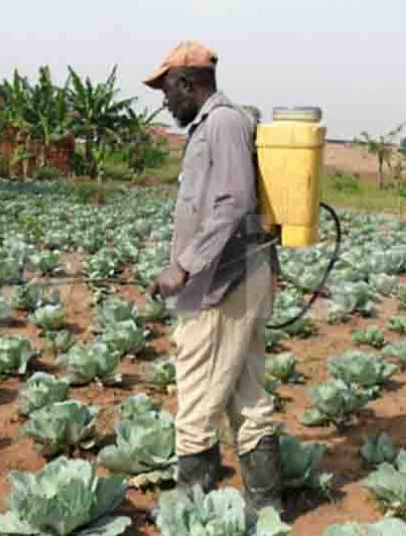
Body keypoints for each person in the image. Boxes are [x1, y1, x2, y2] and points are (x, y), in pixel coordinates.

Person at [145, 41, 281, 512]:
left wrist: (184, 265)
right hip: (229, 276)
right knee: (246, 392)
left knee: (197, 390)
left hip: (222, 283)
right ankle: (266, 505)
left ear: (187, 83)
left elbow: (234, 201)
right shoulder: (213, 125)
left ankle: (191, 504)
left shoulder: (222, 123)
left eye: (166, 89)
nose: (165, 100)